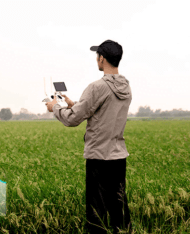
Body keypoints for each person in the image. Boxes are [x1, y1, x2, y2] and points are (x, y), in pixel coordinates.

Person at [45, 40, 132, 234]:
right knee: (120, 211)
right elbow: (103, 110)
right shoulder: (126, 86)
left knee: (96, 214)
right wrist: (74, 103)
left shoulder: (96, 87)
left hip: (99, 158)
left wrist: (55, 108)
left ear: (102, 58)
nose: (96, 60)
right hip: (118, 156)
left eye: (97, 56)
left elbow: (73, 120)